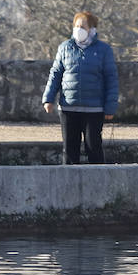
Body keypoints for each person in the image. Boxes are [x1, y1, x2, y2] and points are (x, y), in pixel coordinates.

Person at [42, 11, 120, 164]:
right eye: (76, 26)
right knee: (70, 150)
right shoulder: (65, 47)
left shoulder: (103, 50)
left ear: (92, 29)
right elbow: (55, 74)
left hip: (94, 109)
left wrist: (110, 107)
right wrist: (48, 98)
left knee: (94, 147)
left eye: (83, 26)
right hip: (68, 108)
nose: (79, 29)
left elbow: (111, 78)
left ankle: (97, 182)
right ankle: (68, 183)